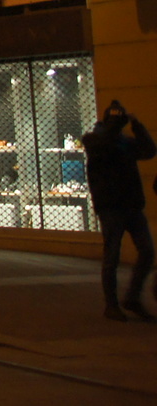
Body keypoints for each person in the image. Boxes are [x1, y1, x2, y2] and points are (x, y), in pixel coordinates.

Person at [82, 99, 156, 320]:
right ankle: (111, 305)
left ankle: (132, 298)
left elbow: (150, 150)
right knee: (112, 256)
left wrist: (137, 126)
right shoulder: (94, 140)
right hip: (110, 208)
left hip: (132, 206)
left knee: (147, 251)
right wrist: (114, 127)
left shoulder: (126, 143)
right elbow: (102, 145)